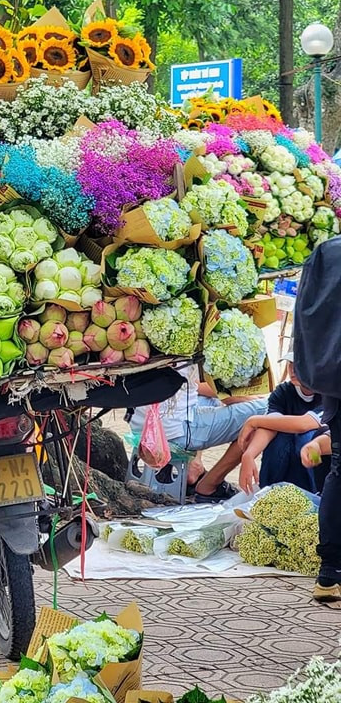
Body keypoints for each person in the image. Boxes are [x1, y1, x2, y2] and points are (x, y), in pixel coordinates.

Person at [130, 362, 268, 502]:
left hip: (140, 426)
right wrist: (250, 400)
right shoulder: (189, 350)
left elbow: (199, 385)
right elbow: (221, 393)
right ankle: (210, 485)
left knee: (207, 398)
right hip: (174, 431)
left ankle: (193, 466)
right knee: (267, 411)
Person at [293, 236, 341, 602]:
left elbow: (304, 316)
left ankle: (329, 574)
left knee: (340, 468)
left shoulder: (327, 252)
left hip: (334, 377)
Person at [237, 348, 326, 494]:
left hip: (315, 460)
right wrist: (249, 454)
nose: (293, 370)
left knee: (308, 439)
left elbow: (303, 425)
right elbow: (269, 425)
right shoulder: (283, 392)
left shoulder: (329, 395)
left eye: (300, 364)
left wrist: (254, 420)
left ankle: (317, 493)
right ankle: (267, 490)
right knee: (278, 435)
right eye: (290, 364)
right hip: (285, 465)